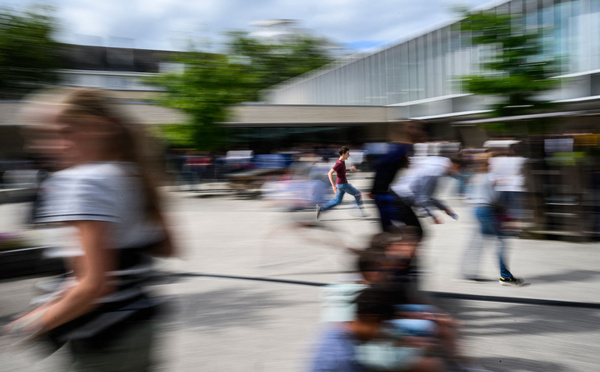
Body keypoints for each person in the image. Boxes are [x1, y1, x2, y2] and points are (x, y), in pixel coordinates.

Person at [5, 88, 176, 371]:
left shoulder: (79, 181)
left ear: (105, 128)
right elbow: (168, 247)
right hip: (140, 327)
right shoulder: (134, 173)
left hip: (102, 334)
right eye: (42, 135)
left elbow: (93, 286)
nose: (50, 145)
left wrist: (28, 325)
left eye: (66, 131)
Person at [460, 153, 525, 286]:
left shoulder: (477, 176)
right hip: (487, 210)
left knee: (479, 241)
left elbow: (468, 196)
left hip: (477, 210)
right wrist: (513, 216)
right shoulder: (494, 177)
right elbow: (498, 198)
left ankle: (468, 271)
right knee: (500, 243)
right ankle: (505, 277)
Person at [390, 156, 462, 241]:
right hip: (400, 198)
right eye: (458, 170)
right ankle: (401, 250)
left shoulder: (437, 163)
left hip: (398, 195)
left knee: (411, 231)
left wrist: (443, 207)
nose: (455, 174)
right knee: (416, 233)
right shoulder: (435, 172)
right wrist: (432, 215)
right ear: (455, 165)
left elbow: (426, 196)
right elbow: (422, 199)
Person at [369, 121, 424, 232]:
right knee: (413, 231)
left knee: (389, 229)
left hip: (383, 193)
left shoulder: (395, 148)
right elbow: (382, 167)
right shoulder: (401, 149)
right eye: (416, 129)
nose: (420, 132)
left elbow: (380, 166)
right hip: (386, 195)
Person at [316, 146, 367, 219]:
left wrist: (350, 169)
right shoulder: (339, 163)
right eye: (347, 153)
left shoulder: (342, 161)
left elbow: (342, 171)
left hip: (340, 184)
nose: (348, 155)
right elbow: (329, 173)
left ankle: (321, 208)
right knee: (357, 194)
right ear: (343, 154)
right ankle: (358, 211)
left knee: (337, 201)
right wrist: (333, 186)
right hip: (343, 185)